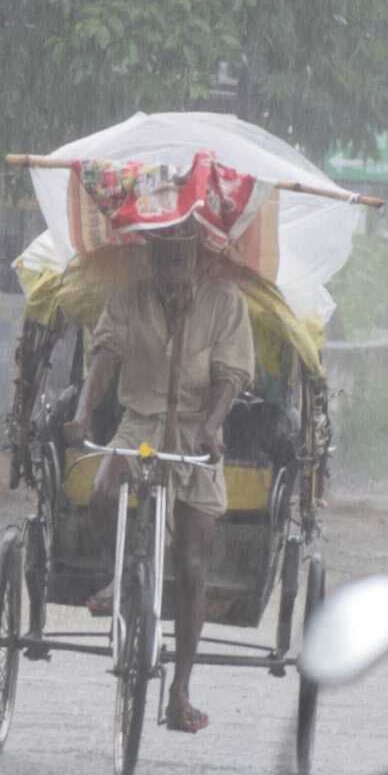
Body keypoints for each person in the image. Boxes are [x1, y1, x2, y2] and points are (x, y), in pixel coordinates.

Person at [63, 219, 254, 735]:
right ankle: (122, 575)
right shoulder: (126, 303)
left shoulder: (226, 305)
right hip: (140, 427)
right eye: (162, 259)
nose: (171, 271)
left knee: (193, 564)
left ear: (198, 259)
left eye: (180, 259)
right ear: (150, 258)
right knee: (102, 494)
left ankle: (180, 692)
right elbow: (101, 363)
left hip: (197, 434)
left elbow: (230, 378)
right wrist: (82, 415)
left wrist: (213, 429)